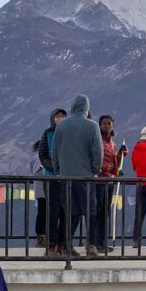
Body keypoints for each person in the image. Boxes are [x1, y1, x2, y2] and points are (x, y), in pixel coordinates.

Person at [51, 95, 102, 258]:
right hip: (85, 176)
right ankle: (91, 245)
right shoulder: (92, 126)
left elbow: (54, 151)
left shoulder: (61, 126)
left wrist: (58, 170)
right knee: (90, 211)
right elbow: (97, 152)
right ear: (86, 108)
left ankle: (65, 245)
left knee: (70, 211)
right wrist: (95, 169)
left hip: (66, 177)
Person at [92, 114, 126, 255]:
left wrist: (120, 155)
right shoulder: (98, 141)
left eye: (109, 123)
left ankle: (102, 242)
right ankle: (96, 243)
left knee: (105, 213)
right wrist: (113, 169)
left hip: (109, 182)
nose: (107, 125)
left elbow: (114, 163)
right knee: (98, 212)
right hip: (99, 182)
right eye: (104, 123)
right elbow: (98, 162)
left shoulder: (112, 143)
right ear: (99, 126)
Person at [38, 108, 67, 256]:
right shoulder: (47, 133)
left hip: (67, 178)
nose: (60, 118)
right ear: (53, 118)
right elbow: (42, 154)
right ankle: (51, 244)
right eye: (57, 116)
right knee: (53, 212)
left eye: (63, 116)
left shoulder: (69, 133)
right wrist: (54, 167)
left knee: (66, 212)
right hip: (51, 178)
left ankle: (63, 244)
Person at [30, 139, 47, 247]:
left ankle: (44, 235)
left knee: (44, 213)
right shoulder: (39, 158)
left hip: (44, 190)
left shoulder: (38, 158)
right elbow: (36, 172)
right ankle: (41, 235)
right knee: (43, 213)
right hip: (42, 190)